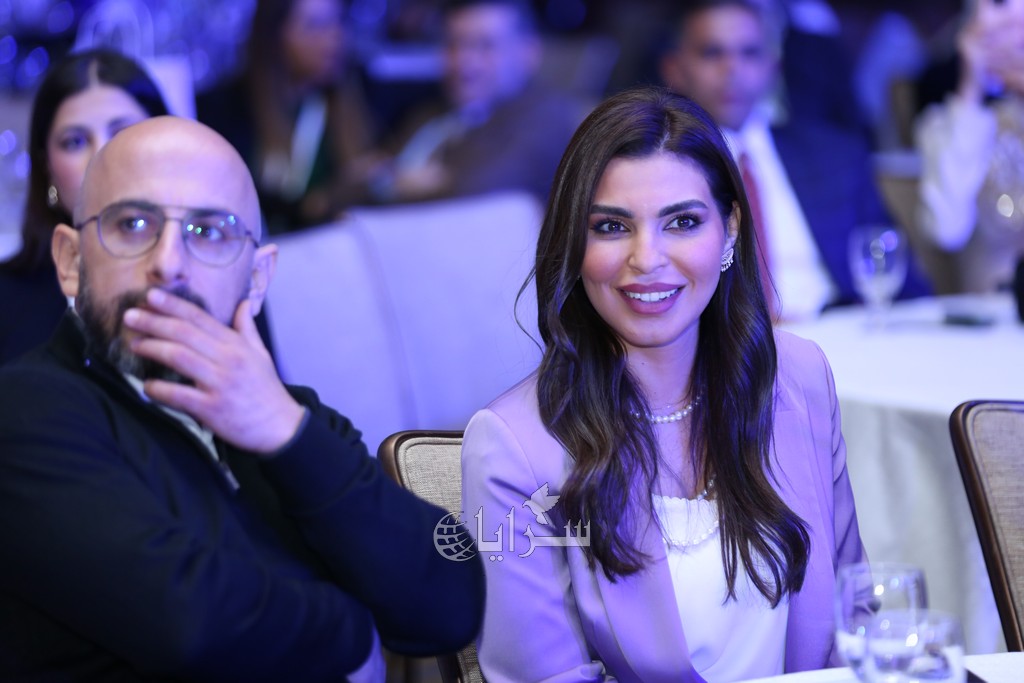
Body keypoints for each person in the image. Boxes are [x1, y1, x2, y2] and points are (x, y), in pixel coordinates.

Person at [0, 116, 484, 680]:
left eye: (209, 232)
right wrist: (357, 629)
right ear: (71, 261)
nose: (168, 263)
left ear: (256, 279)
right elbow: (194, 625)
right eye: (132, 224)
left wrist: (289, 436)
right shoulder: (25, 412)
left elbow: (449, 607)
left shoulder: (289, 416)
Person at [461, 87, 865, 682]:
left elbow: (853, 615)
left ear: (730, 230)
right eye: (611, 227)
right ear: (573, 244)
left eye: (682, 222)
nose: (647, 258)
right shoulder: (513, 447)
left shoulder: (798, 378)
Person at [659, 0, 928, 321]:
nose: (732, 69)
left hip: (837, 331)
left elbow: (895, 272)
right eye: (712, 53)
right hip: (720, 342)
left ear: (773, 68)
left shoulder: (834, 155)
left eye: (750, 53)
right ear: (675, 69)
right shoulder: (659, 168)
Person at [0, 48, 168, 366]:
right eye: (75, 141)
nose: (102, 157)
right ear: (47, 167)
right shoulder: (6, 299)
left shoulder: (216, 273)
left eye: (122, 133)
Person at [366, 0, 586, 203]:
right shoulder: (429, 114)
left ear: (529, 53)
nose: (464, 61)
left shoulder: (545, 116)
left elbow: (487, 187)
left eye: (484, 45)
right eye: (453, 44)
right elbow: (363, 177)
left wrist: (407, 183)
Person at [197, 0, 375, 234]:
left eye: (338, 23)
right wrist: (311, 206)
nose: (334, 38)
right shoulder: (225, 109)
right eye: (315, 25)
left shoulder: (346, 105)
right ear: (274, 35)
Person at [915, 0, 1024, 293]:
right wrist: (971, 87)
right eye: (999, 4)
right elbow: (946, 229)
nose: (1013, 24)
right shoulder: (951, 124)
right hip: (988, 312)